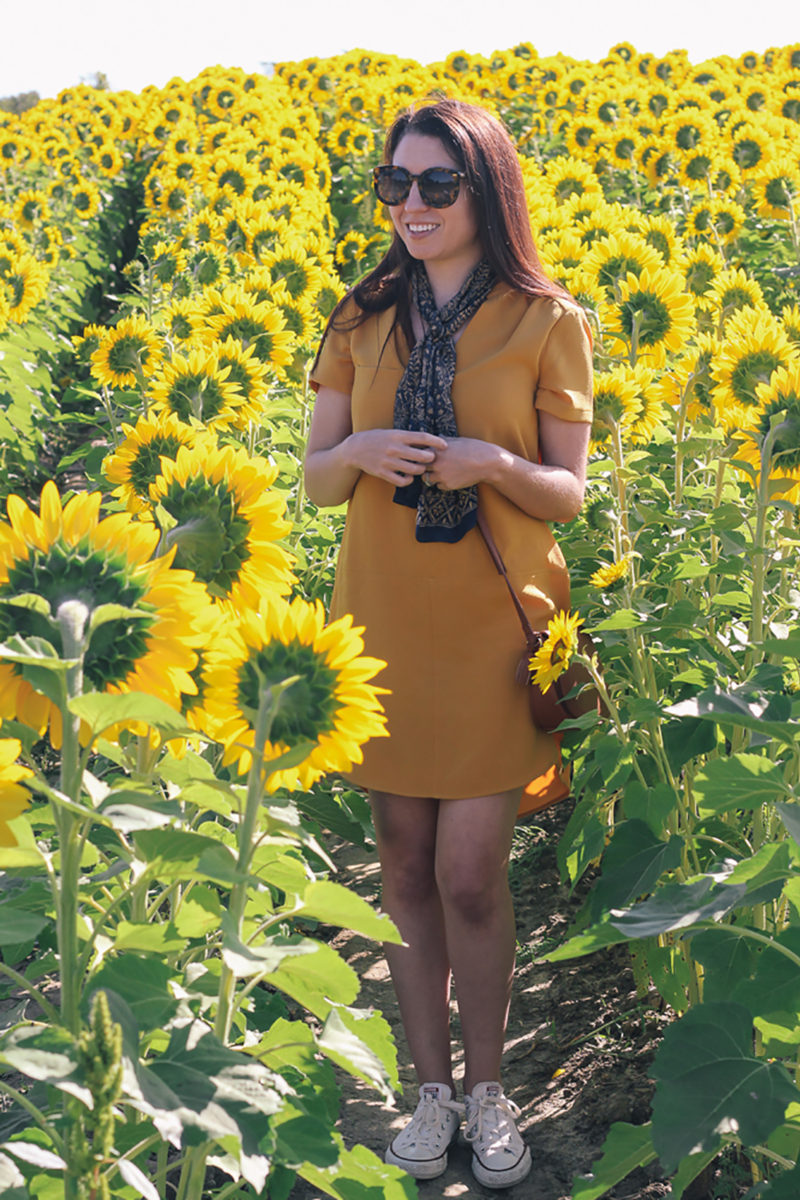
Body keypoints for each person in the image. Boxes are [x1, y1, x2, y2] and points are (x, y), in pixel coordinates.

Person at [304, 97, 593, 1189]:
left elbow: (565, 492)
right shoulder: (359, 318)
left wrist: (490, 467)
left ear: (483, 190)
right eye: (394, 184)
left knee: (471, 872)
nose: (409, 205)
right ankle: (427, 1090)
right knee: (402, 865)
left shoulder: (541, 319)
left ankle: (488, 1087)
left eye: (434, 184)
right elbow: (318, 475)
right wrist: (367, 446)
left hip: (488, 625)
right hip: (378, 622)